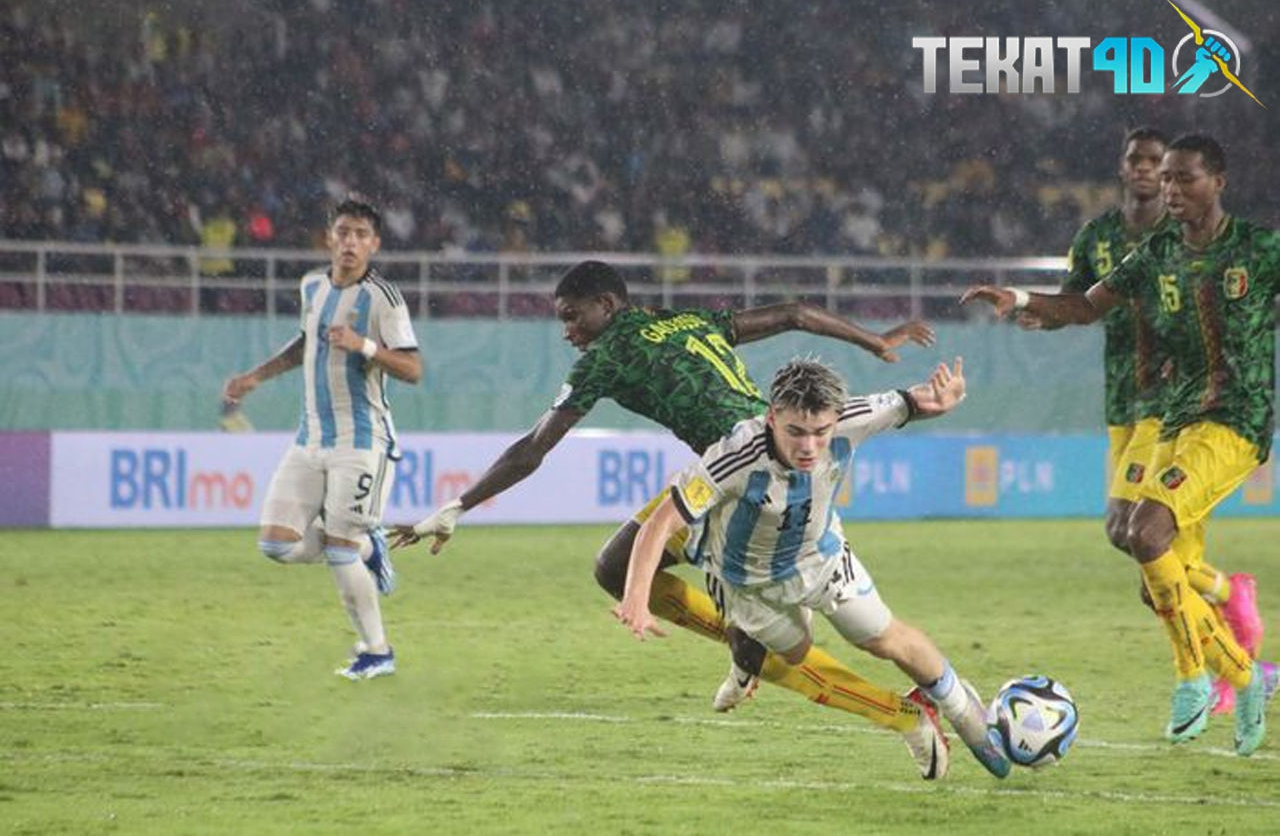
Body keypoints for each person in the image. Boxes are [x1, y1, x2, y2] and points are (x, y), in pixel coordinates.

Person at [391, 260, 960, 764]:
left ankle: (897, 714)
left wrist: (459, 505)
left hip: (732, 485)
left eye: (573, 317)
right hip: (759, 460)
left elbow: (534, 447)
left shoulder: (608, 354)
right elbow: (793, 312)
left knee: (666, 588)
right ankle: (746, 649)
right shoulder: (685, 320)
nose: (567, 331)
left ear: (607, 306)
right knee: (616, 568)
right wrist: (873, 340)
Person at [961, 134, 1278, 755]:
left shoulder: (1259, 250)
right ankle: (1244, 679)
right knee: (1153, 577)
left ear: (1219, 182)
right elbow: (1086, 304)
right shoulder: (1157, 250)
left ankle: (1191, 679)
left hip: (1236, 419)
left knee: (1145, 533)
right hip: (1176, 416)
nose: (1173, 190)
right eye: (1168, 181)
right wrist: (1022, 298)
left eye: (1185, 179)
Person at [613, 357, 1009, 779]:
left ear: (835, 420)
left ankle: (967, 716)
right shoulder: (733, 457)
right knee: (797, 651)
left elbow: (910, 401)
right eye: (795, 432)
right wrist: (637, 596)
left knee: (884, 637)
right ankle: (745, 661)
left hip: (822, 559)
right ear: (771, 418)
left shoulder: (854, 419)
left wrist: (940, 400)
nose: (808, 446)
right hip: (750, 582)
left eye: (820, 433)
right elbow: (660, 523)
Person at [1044, 127, 1260, 716]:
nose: (1152, 176)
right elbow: (1079, 301)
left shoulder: (1188, 236)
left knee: (1142, 538)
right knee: (1138, 548)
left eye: (1162, 167)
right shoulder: (1099, 237)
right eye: (1142, 164)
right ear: (1124, 169)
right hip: (1124, 398)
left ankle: (1219, 670)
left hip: (1175, 404)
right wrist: (1032, 309)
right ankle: (1224, 599)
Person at [223, 196, 422, 680]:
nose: (350, 242)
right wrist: (257, 376)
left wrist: (365, 345)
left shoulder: (383, 299)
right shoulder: (312, 285)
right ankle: (368, 545)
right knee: (276, 545)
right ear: (329, 237)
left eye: (360, 235)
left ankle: (377, 652)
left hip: (362, 442)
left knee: (337, 548)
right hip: (309, 439)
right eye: (343, 232)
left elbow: (413, 368)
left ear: (374, 244)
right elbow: (305, 342)